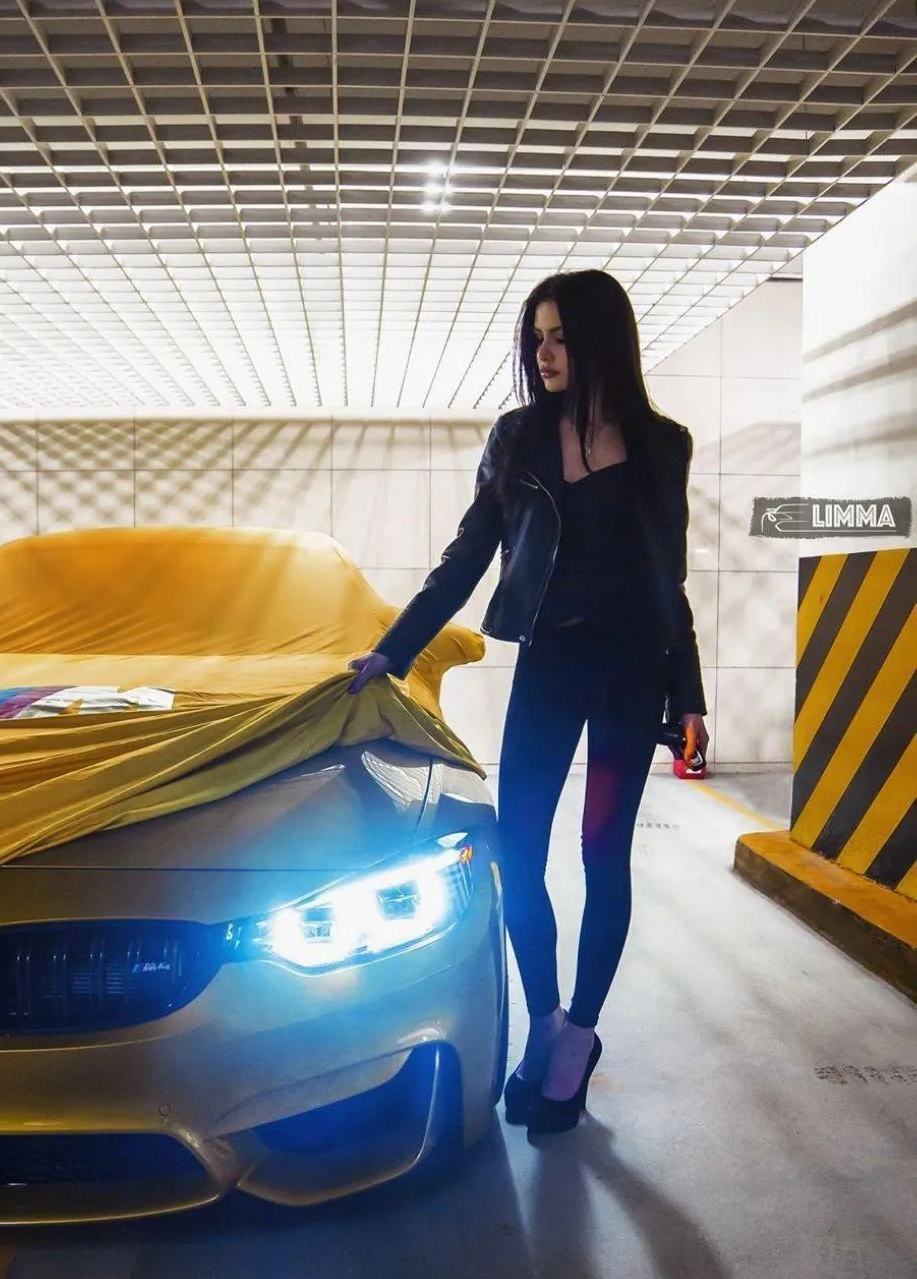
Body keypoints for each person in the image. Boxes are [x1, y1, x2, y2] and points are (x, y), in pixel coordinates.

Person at [347, 269, 708, 1134]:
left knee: (601, 854)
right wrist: (393, 650)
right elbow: (466, 557)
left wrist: (688, 691)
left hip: (630, 670)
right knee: (518, 850)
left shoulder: (662, 444)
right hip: (548, 664)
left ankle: (579, 1035)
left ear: (598, 340)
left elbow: (670, 578)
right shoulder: (516, 440)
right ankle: (543, 1017)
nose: (542, 353)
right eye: (536, 337)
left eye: (558, 336)